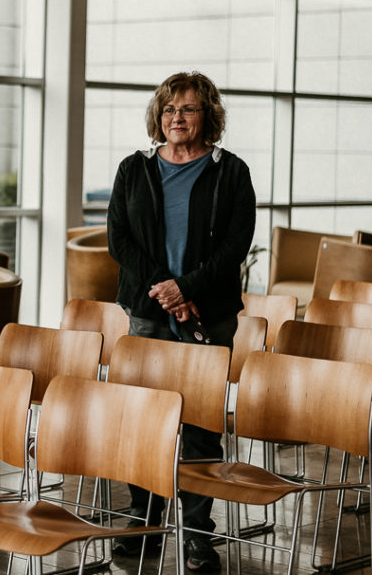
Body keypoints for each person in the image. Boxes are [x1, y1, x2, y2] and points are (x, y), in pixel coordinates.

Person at [106, 71, 256, 572]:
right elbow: (118, 240)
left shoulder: (231, 172)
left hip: (208, 315)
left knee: (199, 426)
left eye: (187, 109)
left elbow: (235, 246)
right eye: (169, 109)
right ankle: (144, 522)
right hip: (148, 311)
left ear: (206, 116)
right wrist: (167, 291)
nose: (176, 118)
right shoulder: (134, 168)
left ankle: (197, 534)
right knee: (141, 421)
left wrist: (187, 289)